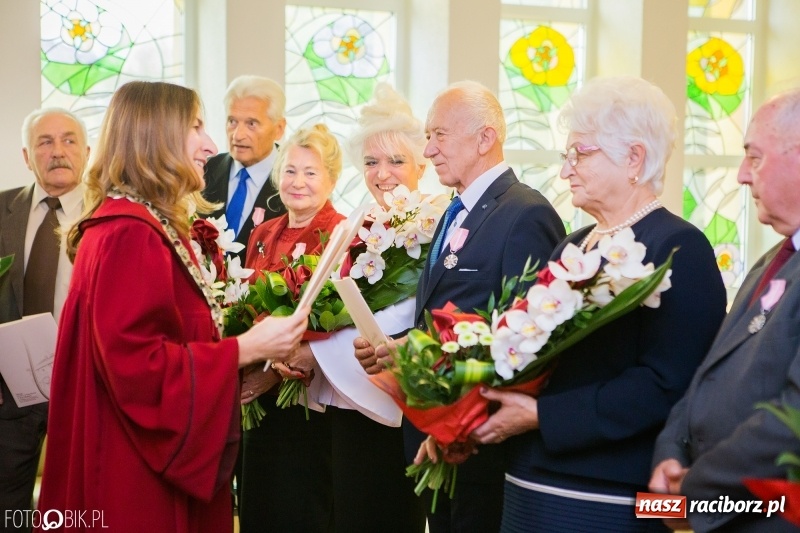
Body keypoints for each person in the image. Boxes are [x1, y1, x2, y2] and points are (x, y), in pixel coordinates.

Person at [35, 81, 309, 533]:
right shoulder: (131, 234)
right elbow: (137, 367)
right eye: (196, 127)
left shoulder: (141, 224)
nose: (212, 145)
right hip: (133, 475)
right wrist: (245, 349)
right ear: (156, 137)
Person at [463, 76, 727, 532]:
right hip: (528, 477)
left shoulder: (679, 248)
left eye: (580, 154)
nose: (565, 172)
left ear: (634, 158)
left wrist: (543, 417)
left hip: (605, 493)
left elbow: (667, 384)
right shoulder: (574, 243)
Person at [356, 80, 565, 533]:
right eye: (428, 136)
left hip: (481, 440)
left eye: (439, 135)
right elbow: (445, 315)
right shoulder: (456, 209)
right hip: (438, 432)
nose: (428, 150)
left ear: (485, 138)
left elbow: (527, 340)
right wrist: (399, 347)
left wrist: (424, 361)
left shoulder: (525, 213)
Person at [650, 89, 800, 532]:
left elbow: (792, 414)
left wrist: (695, 484)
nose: (741, 176)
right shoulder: (772, 260)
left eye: (755, 158)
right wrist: (669, 453)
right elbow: (710, 372)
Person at [293, 84, 433, 533]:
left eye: (396, 161)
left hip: (385, 389)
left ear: (422, 165)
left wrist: (314, 351)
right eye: (371, 162)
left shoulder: (429, 223)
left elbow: (401, 314)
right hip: (344, 396)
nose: (382, 174)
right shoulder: (358, 221)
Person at [238, 124, 345, 533]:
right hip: (257, 400)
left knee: (300, 512)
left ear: (332, 179)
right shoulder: (263, 232)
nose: (298, 182)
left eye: (311, 172)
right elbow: (245, 304)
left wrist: (271, 372)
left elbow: (335, 320)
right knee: (257, 507)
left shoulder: (340, 233)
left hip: (306, 402)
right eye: (290, 171)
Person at [0, 108, 89, 532]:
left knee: (81, 508)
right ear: (26, 155)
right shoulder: (2, 209)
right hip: (9, 395)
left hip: (85, 388)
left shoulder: (109, 216)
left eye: (69, 140)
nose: (58, 151)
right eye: (45, 142)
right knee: (6, 509)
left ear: (87, 151)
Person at [203, 75, 287, 258]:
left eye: (251, 124)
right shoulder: (204, 170)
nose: (238, 135)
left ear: (279, 128)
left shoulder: (294, 182)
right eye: (232, 122)